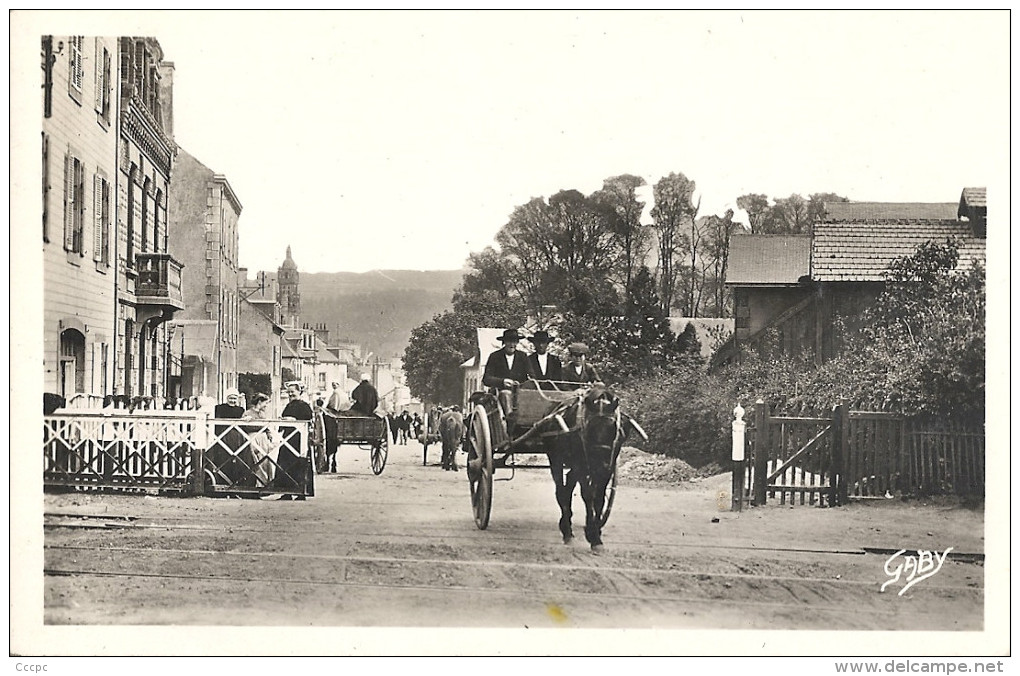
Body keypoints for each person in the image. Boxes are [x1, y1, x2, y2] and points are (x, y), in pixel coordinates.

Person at [482, 328, 535, 417]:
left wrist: (523, 384)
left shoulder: (523, 357)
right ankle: (509, 419)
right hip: (499, 393)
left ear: (517, 343)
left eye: (514, 342)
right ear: (504, 342)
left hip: (520, 392)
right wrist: (502, 381)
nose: (512, 344)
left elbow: (532, 376)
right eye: (509, 341)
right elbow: (486, 379)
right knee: (506, 394)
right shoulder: (495, 356)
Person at [274, 382, 313, 500]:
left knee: (299, 463)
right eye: (289, 392)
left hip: (298, 439)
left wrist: (294, 420)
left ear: (299, 392)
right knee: (286, 463)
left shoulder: (305, 405)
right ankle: (287, 492)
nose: (290, 394)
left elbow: (308, 420)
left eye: (293, 392)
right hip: (288, 438)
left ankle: (301, 492)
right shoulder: (288, 405)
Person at [241, 393, 278, 489]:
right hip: (254, 438)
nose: (266, 405)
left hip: (263, 439)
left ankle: (265, 484)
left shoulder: (262, 413)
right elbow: (244, 426)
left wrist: (268, 432)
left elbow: (266, 426)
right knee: (256, 460)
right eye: (265, 403)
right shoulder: (248, 413)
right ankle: (258, 484)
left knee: (265, 461)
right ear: (259, 402)